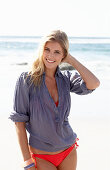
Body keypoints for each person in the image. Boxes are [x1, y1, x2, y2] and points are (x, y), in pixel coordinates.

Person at [9, 30, 100, 170]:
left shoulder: (66, 79)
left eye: (57, 52)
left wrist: (71, 60)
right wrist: (27, 160)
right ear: (41, 50)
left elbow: (94, 83)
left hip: (68, 151)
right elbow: (19, 121)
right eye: (47, 49)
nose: (51, 55)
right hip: (41, 156)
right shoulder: (26, 80)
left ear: (64, 55)